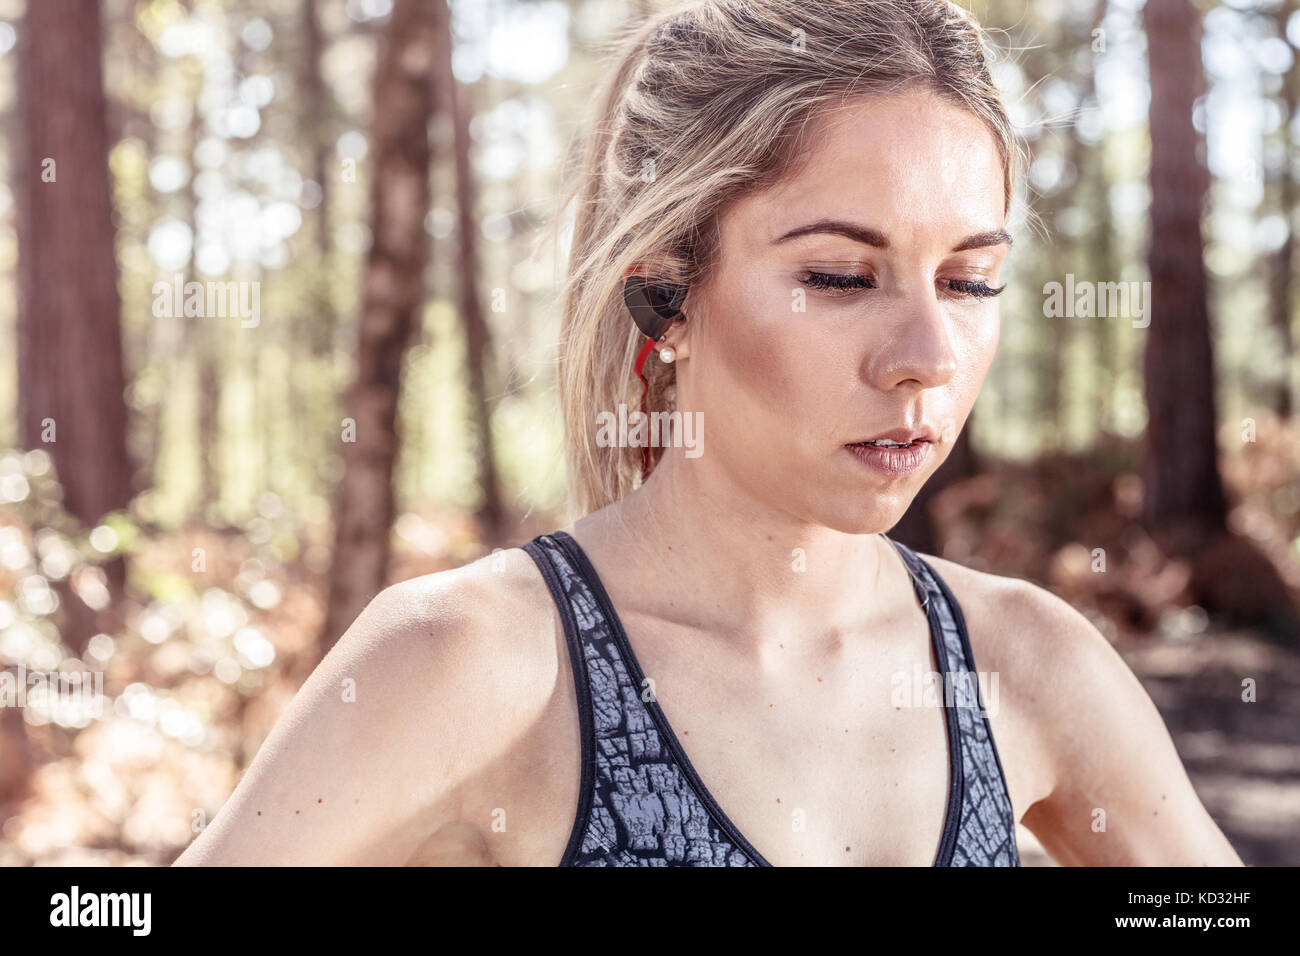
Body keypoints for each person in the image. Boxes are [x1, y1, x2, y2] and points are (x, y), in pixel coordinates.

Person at [175, 0, 1242, 867]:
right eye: (838, 275)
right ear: (669, 299)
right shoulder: (478, 658)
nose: (927, 352)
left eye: (970, 280)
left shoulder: (1023, 660)